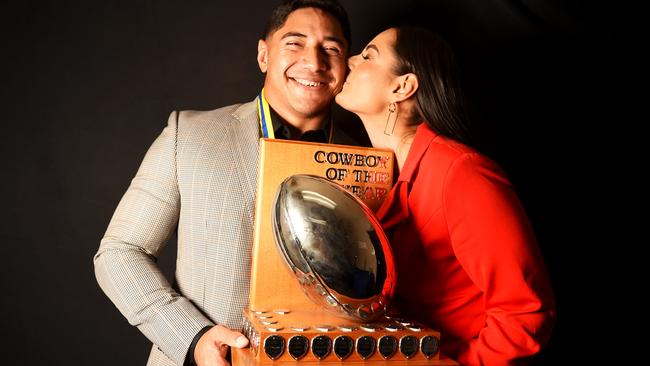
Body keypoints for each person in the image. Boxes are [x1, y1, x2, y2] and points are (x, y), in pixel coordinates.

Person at [93, 1, 359, 365]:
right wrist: (193, 338)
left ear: (346, 67)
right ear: (264, 55)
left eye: (332, 49)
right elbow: (120, 252)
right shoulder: (187, 134)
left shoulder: (370, 159)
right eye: (294, 43)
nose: (314, 62)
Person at [335, 26, 556, 365]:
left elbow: (525, 312)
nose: (349, 60)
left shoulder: (462, 173)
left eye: (368, 55)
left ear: (401, 86)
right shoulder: (381, 177)